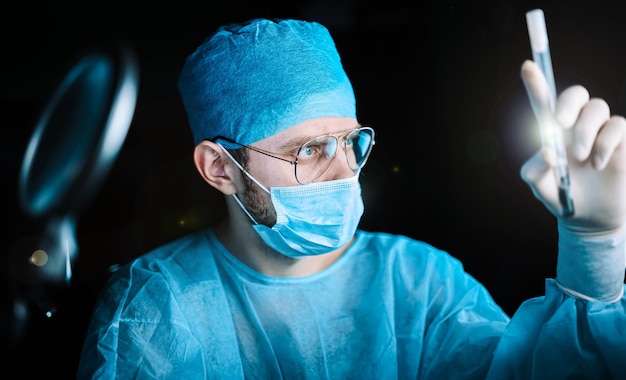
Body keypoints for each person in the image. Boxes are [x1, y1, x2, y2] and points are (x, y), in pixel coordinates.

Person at [76, 17, 626, 378]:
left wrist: (594, 246)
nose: (346, 173)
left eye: (350, 142)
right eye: (311, 150)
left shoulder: (419, 284)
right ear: (220, 168)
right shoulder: (155, 309)